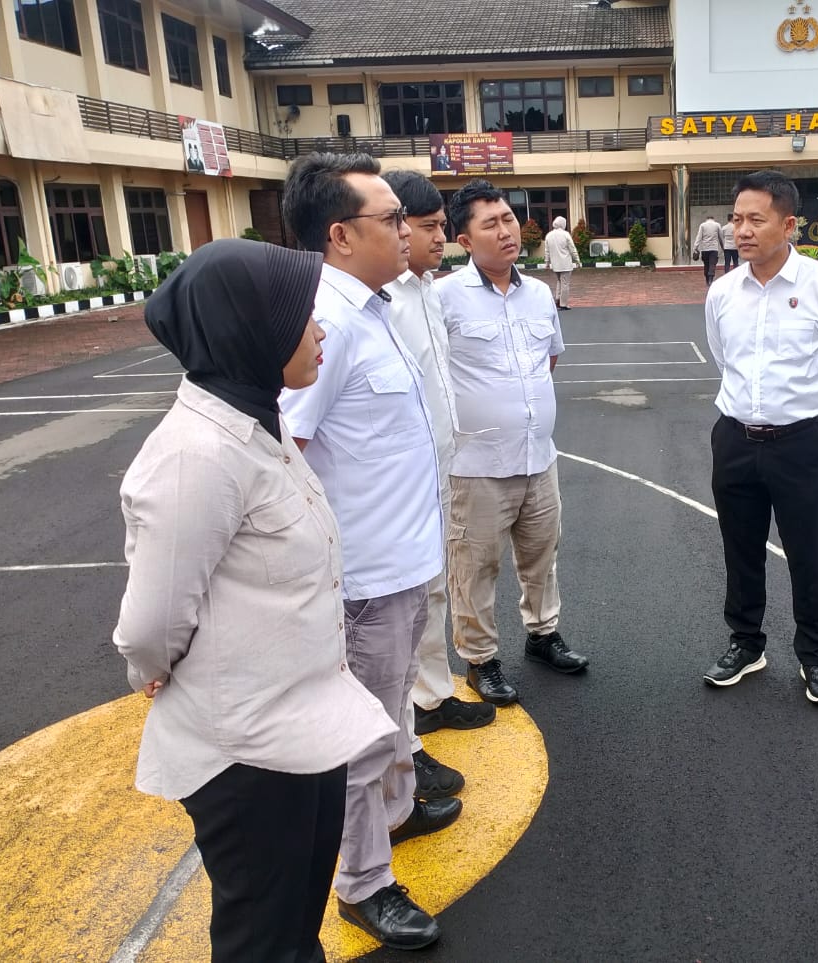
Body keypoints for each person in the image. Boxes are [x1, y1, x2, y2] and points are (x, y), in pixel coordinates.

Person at [113, 238, 400, 963]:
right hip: (247, 754)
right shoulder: (196, 456)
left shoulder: (255, 423)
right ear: (251, 328)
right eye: (302, 317)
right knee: (262, 944)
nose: (319, 330)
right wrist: (150, 670)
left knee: (295, 933)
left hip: (305, 730)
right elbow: (149, 626)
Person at [278, 153, 461, 952]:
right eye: (391, 220)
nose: (408, 231)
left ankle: (395, 813)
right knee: (360, 735)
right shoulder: (327, 322)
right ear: (340, 235)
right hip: (364, 578)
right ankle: (363, 882)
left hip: (404, 561)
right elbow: (284, 450)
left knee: (390, 719)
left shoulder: (376, 307)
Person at [702, 169, 818, 703]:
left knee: (806, 552)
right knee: (740, 548)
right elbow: (724, 359)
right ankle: (746, 643)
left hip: (801, 444)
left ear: (789, 224)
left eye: (756, 219)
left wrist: (810, 420)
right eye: (736, 219)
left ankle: (814, 655)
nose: (742, 230)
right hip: (734, 439)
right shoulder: (723, 292)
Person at [437, 179, 588, 707]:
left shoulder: (539, 293)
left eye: (508, 219)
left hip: (538, 458)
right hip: (475, 465)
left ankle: (543, 635)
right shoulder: (443, 299)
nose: (506, 231)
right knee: (474, 567)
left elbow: (550, 358)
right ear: (464, 239)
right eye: (491, 224)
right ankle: (480, 659)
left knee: (541, 556)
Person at [382, 170, 497, 800]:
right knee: (390, 618)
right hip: (396, 481)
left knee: (432, 592)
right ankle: (400, 745)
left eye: (440, 227)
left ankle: (431, 696)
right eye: (427, 228)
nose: (439, 239)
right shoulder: (381, 299)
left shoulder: (429, 290)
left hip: (438, 467)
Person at [543, 214, 582, 309]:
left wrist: (547, 263)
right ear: (563, 224)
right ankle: (563, 304)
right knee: (565, 284)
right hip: (565, 264)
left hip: (555, 265)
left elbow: (547, 251)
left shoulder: (549, 235)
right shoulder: (565, 234)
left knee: (559, 282)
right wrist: (577, 260)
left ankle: (557, 300)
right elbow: (572, 249)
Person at [692, 212, 725, 286]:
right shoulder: (717, 225)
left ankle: (707, 279)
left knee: (706, 264)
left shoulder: (702, 225)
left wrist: (695, 247)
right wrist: (723, 247)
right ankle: (710, 279)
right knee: (712, 264)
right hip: (714, 249)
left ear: (706, 219)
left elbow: (699, 237)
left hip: (705, 248)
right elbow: (721, 238)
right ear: (713, 219)